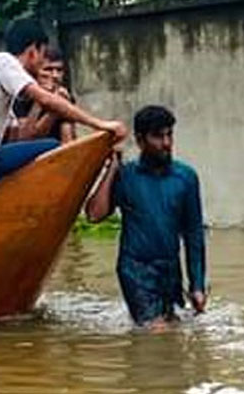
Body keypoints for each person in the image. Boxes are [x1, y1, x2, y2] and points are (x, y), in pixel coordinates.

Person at [0, 19, 128, 192]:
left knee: (47, 149)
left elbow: (24, 139)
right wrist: (100, 124)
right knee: (53, 147)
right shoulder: (2, 62)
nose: (43, 62)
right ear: (33, 51)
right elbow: (46, 100)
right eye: (43, 55)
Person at [85, 106, 208, 329]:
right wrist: (111, 167)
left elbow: (193, 234)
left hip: (170, 271)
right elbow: (95, 214)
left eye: (169, 134)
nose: (166, 143)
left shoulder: (186, 178)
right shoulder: (126, 176)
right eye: (158, 136)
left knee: (173, 330)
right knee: (156, 330)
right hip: (135, 269)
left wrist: (197, 285)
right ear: (140, 141)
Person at [7, 46, 77, 144]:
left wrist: (60, 105)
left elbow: (68, 140)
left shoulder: (64, 95)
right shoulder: (20, 98)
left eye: (59, 70)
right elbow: (24, 139)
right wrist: (48, 106)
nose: (55, 75)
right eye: (48, 69)